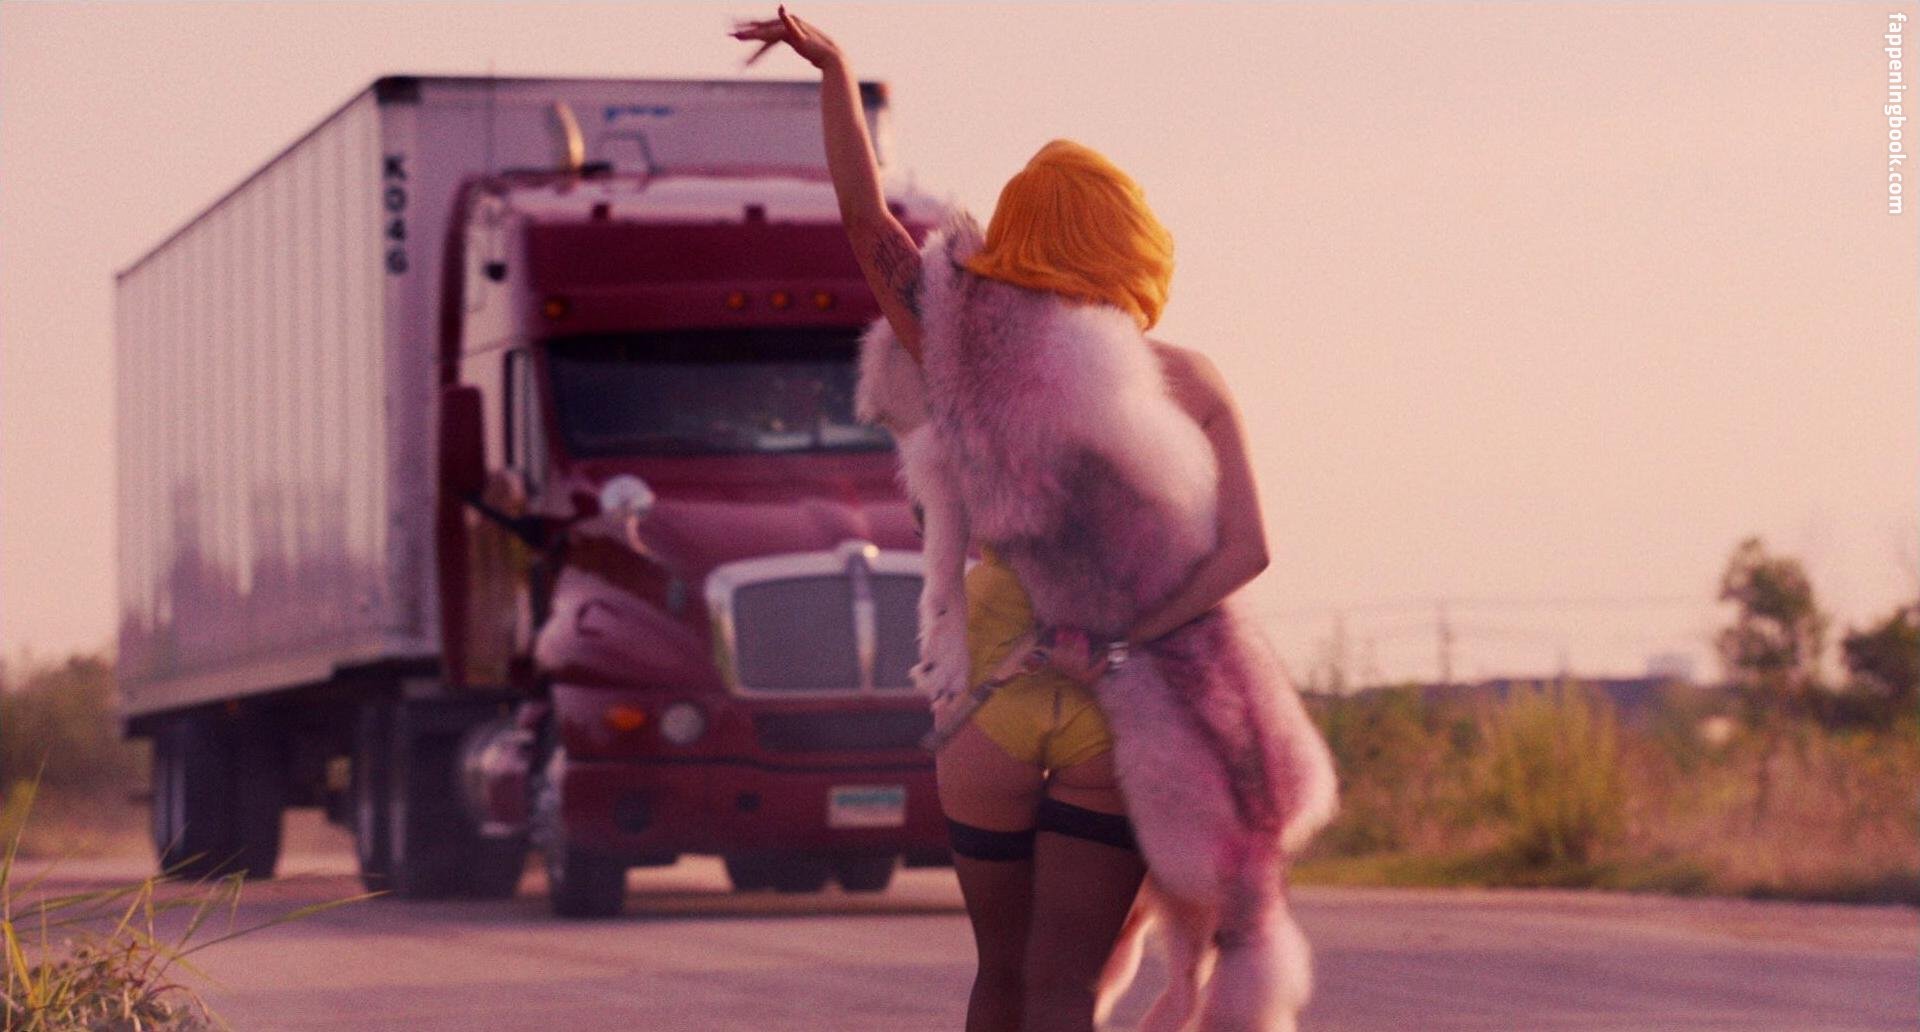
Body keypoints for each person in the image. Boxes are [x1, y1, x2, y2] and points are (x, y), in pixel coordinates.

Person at [733, 11, 1279, 1032]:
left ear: (1017, 241)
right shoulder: (1191, 382)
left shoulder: (967, 357)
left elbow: (868, 224)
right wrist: (1127, 637)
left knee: (999, 976)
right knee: (1065, 984)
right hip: (1112, 687)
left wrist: (835, 71)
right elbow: (1248, 550)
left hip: (989, 677)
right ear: (1131, 244)